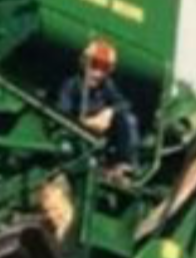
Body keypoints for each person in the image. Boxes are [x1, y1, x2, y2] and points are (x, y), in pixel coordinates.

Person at [55, 37, 140, 175]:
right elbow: (61, 116)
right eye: (94, 65)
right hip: (76, 139)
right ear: (84, 63)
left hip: (101, 140)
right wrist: (87, 123)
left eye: (104, 68)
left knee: (129, 119)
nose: (97, 73)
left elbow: (125, 103)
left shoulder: (107, 86)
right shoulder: (71, 85)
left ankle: (123, 164)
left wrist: (109, 112)